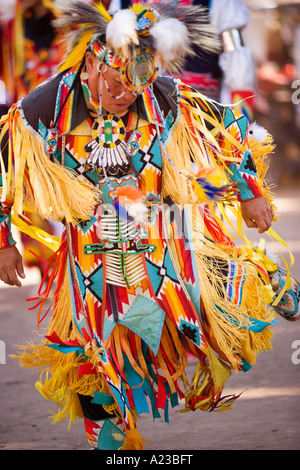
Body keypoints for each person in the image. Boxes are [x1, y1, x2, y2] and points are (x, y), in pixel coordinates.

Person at [0, 1, 299, 451]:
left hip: (165, 228)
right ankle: (114, 446)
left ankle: (264, 279)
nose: (126, 95)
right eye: (118, 84)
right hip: (90, 249)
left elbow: (230, 123)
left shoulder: (160, 92)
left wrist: (249, 190)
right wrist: (5, 242)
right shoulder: (43, 106)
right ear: (94, 64)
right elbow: (4, 169)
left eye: (136, 86)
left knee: (203, 300)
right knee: (92, 349)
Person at [0, 0, 64, 282]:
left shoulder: (68, 25)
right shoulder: (9, 31)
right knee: (26, 198)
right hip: (24, 131)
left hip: (64, 127)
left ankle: (69, 265)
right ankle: (49, 269)